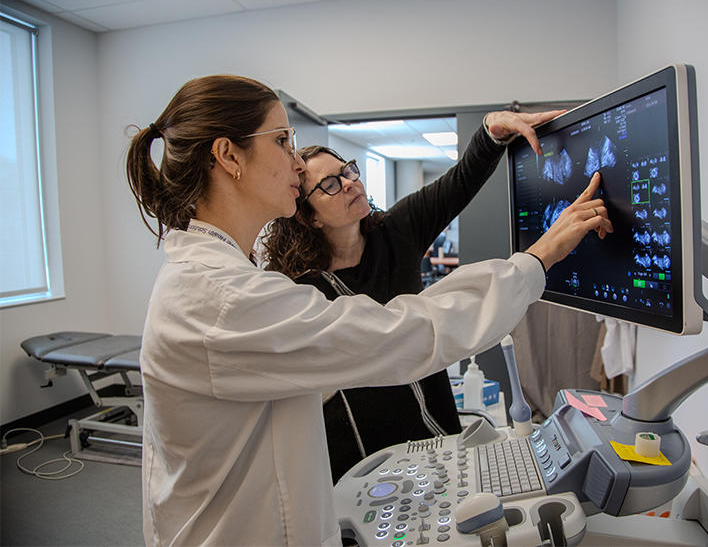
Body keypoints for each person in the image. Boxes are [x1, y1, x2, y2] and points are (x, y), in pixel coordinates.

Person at [126, 74, 611, 547]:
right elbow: (401, 334)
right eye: (281, 141)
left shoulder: (229, 277)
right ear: (229, 155)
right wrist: (536, 259)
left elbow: (404, 313)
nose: (296, 164)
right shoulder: (223, 298)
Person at [261, 109, 565, 484]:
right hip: (360, 458)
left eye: (348, 171)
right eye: (330, 185)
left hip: (436, 431)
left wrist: (490, 133)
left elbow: (459, 183)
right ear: (309, 217)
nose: (350, 184)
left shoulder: (394, 231)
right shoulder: (302, 289)